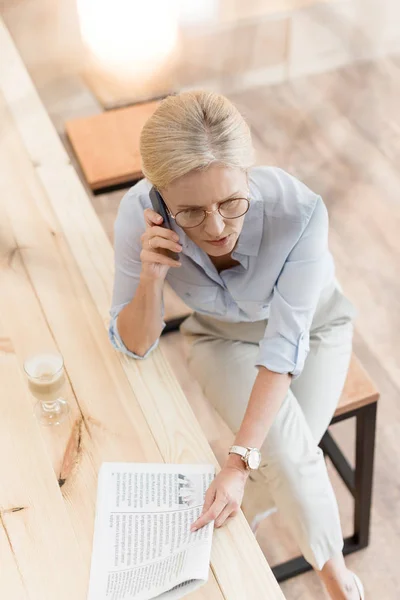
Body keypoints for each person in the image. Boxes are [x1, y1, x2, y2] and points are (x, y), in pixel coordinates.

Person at [109, 90, 364, 600]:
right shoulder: (136, 215)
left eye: (231, 202)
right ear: (160, 199)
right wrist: (152, 279)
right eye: (191, 212)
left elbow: (286, 344)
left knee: (280, 457)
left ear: (248, 172)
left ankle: (333, 581)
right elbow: (134, 345)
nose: (217, 227)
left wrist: (235, 463)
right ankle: (339, 582)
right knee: (281, 456)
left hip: (313, 332)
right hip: (220, 339)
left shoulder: (301, 212)